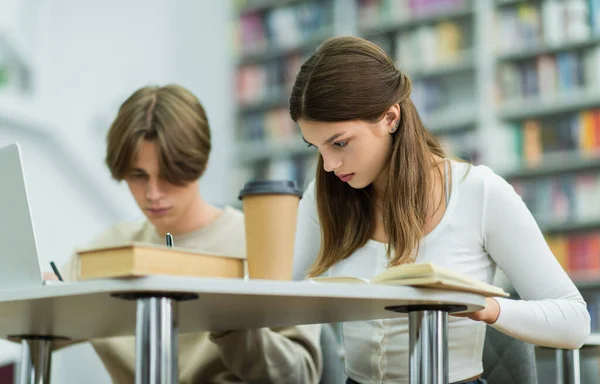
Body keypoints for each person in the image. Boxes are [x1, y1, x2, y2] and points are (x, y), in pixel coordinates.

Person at [289, 36, 590, 384]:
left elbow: (574, 321)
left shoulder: (478, 192)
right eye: (316, 147)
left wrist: (487, 308)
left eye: (339, 143)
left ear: (390, 117)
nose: (328, 165)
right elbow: (280, 298)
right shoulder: (323, 197)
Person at [58, 84, 322, 384]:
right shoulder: (111, 248)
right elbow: (32, 330)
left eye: (170, 174)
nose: (153, 194)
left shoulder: (266, 246)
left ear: (201, 162)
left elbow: (300, 376)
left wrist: (232, 325)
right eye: (138, 176)